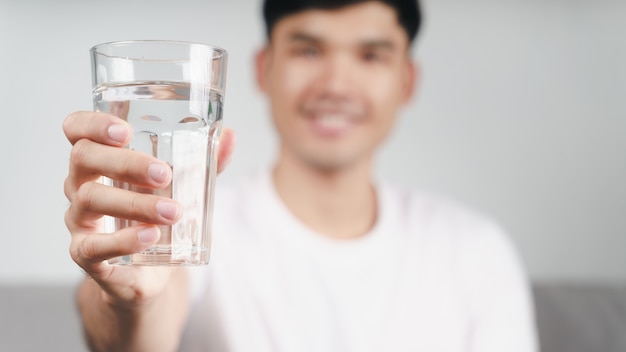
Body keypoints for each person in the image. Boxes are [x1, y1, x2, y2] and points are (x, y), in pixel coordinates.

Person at [63, 0, 538, 351]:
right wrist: (130, 302)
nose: (335, 85)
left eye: (371, 56)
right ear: (264, 69)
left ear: (407, 81)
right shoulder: (188, 222)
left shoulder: (477, 250)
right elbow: (129, 335)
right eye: (309, 50)